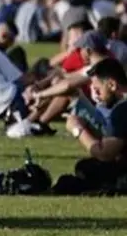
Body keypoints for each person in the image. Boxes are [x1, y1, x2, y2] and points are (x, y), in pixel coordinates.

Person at [54, 58, 127, 195]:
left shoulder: (122, 110)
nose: (97, 96)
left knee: (78, 174)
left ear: (112, 85)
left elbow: (104, 154)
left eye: (98, 90)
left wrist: (77, 129)